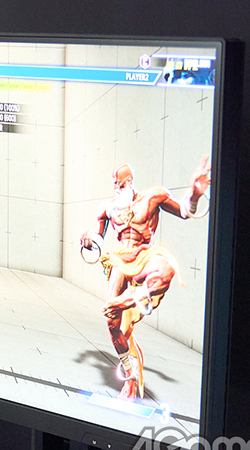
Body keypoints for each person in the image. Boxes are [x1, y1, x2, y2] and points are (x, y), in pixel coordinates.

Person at [80, 156, 210, 398]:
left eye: (120, 183)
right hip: (120, 260)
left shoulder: (153, 197)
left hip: (144, 255)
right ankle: (129, 374)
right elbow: (97, 241)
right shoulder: (108, 209)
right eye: (114, 184)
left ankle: (136, 297)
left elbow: (184, 212)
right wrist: (88, 242)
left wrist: (194, 194)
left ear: (130, 180)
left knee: (167, 269)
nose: (116, 187)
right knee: (112, 322)